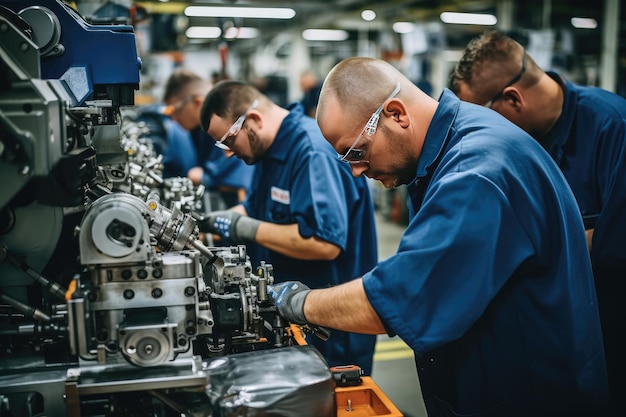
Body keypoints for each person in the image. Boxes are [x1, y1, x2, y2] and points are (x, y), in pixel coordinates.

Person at [268, 57, 609, 417]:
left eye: (357, 152)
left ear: (396, 114)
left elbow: (401, 296)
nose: (355, 171)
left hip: (530, 397)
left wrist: (298, 303)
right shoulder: (459, 141)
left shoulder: (473, 172)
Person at [448, 30, 626, 416]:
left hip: (609, 336)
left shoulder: (614, 127)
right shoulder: (519, 140)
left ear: (512, 99)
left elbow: (615, 244)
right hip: (545, 345)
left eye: (480, 116)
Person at [197, 80, 379, 376]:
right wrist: (206, 224)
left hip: (328, 327)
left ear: (253, 120)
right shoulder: (267, 153)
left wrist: (243, 227)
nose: (228, 153)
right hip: (288, 314)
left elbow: (324, 243)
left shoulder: (310, 153)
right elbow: (254, 209)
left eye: (229, 141)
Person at [162, 68, 254, 209]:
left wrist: (202, 177)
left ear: (197, 102)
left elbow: (237, 180)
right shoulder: (197, 130)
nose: (173, 119)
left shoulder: (228, 116)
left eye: (174, 110)